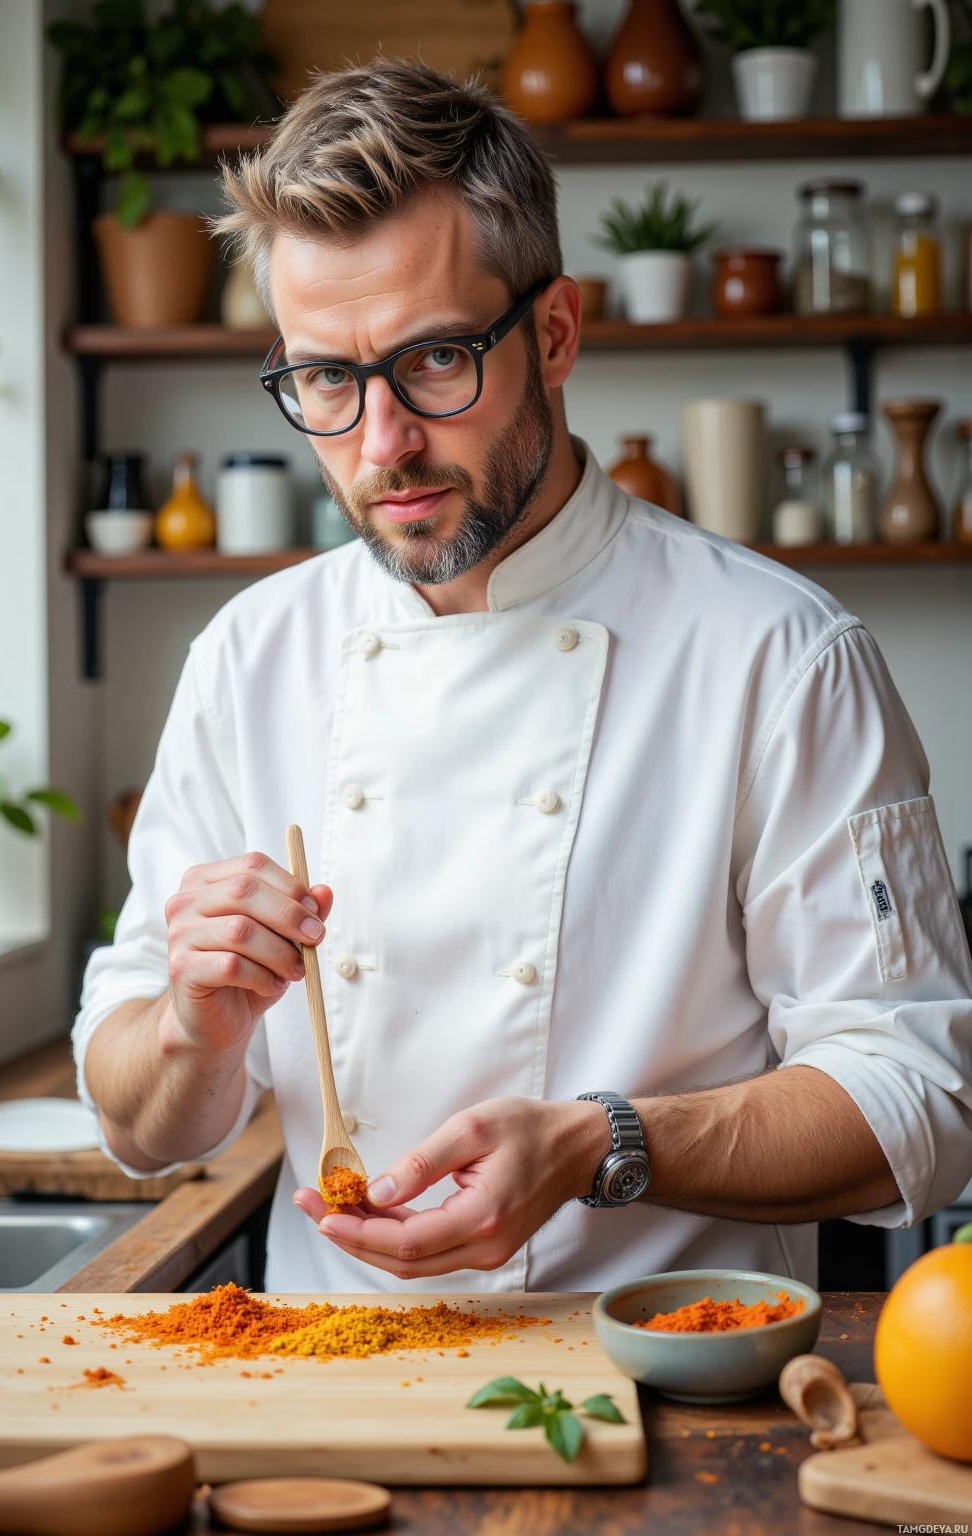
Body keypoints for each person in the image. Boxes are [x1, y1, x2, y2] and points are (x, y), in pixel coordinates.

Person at [74, 60, 972, 1295]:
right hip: (325, 1395)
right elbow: (140, 1125)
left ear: (554, 333)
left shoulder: (778, 655)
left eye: (435, 360)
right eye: (326, 379)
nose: (381, 445)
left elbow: (916, 1097)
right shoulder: (250, 657)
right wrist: (193, 1027)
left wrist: (605, 1144)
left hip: (671, 1394)